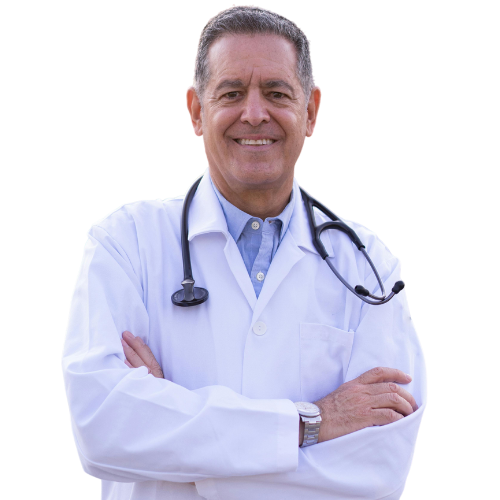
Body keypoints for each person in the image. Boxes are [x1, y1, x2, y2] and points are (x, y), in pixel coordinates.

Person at [61, 5, 427, 500]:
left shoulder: (367, 264)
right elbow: (103, 429)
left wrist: (175, 443)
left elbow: (379, 468)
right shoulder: (125, 244)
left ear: (311, 112)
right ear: (195, 111)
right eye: (231, 93)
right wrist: (312, 422)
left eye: (277, 93)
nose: (254, 114)